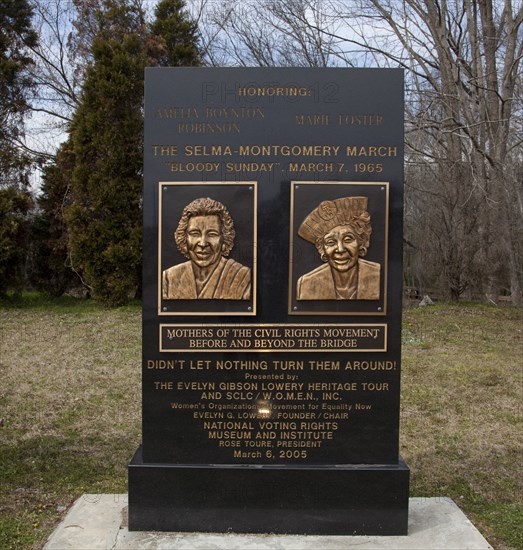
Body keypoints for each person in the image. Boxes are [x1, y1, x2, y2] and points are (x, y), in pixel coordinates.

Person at [162, 197, 251, 300]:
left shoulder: (242, 278)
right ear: (184, 238)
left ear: (225, 238)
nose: (203, 243)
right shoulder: (169, 278)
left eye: (212, 234)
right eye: (195, 233)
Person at [296, 196, 380, 300]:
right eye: (331, 242)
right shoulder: (308, 284)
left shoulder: (378, 275)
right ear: (322, 249)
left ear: (361, 242)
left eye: (348, 239)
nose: (340, 249)